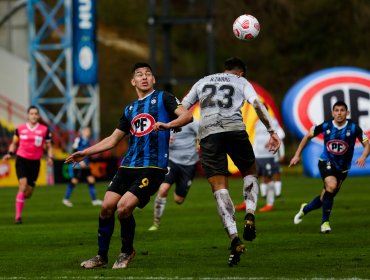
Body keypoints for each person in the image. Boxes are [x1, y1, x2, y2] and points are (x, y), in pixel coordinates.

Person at [64, 62, 193, 269]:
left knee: (123, 208)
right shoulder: (130, 109)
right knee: (106, 207)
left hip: (153, 168)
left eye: (148, 74)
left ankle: (126, 251)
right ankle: (101, 256)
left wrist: (168, 125)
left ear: (153, 80)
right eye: (139, 75)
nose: (144, 77)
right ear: (133, 81)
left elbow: (187, 116)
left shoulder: (164, 98)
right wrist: (85, 153)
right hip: (128, 166)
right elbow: (113, 139)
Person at [182, 57, 281, 266]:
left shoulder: (203, 81)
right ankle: (251, 213)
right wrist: (272, 131)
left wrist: (171, 126)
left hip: (209, 134)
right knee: (250, 172)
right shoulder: (241, 82)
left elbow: (183, 107)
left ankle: (234, 237)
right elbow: (257, 104)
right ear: (241, 73)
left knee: (219, 188)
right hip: (235, 130)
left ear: (224, 69)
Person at [290, 101, 369, 233]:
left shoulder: (354, 128)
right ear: (332, 113)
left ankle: (305, 209)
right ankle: (325, 223)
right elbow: (307, 136)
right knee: (331, 186)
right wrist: (297, 155)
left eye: (342, 110)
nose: (339, 113)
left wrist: (363, 157)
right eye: (336, 110)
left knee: (326, 196)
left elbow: (367, 145)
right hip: (326, 161)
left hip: (343, 168)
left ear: (347, 113)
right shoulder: (326, 126)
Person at [2, 106, 53, 224]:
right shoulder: (19, 129)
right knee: (22, 185)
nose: (34, 116)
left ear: (38, 116)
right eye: (31, 113)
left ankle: (20, 199)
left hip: (35, 162)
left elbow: (49, 146)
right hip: (22, 160)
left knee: (28, 193)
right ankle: (18, 217)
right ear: (28, 115)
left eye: (36, 114)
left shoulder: (44, 130)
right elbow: (14, 144)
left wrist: (50, 157)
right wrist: (10, 153)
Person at [148, 119, 199, 231]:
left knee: (178, 200)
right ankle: (156, 223)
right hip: (172, 161)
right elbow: (153, 138)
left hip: (189, 164)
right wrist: (164, 140)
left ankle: (179, 184)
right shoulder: (164, 120)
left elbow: (203, 135)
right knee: (163, 190)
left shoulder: (192, 121)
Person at [235, 111, 285, 212]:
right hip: (257, 155)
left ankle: (270, 204)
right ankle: (246, 202)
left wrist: (271, 140)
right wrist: (252, 151)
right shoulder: (257, 123)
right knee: (249, 177)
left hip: (268, 155)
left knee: (267, 178)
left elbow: (281, 134)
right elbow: (256, 139)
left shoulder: (271, 121)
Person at [62, 127, 102, 207]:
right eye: (87, 130)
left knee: (91, 180)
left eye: (89, 130)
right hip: (79, 165)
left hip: (86, 165)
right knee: (74, 181)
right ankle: (66, 199)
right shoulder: (78, 139)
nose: (89, 132)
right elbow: (74, 150)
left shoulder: (88, 141)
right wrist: (81, 161)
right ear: (83, 132)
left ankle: (94, 200)